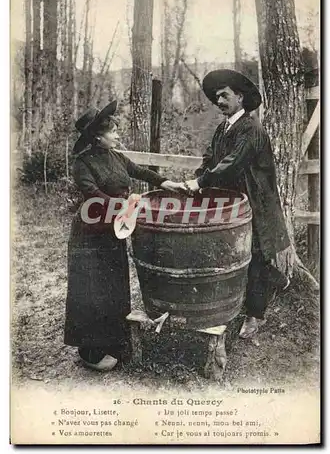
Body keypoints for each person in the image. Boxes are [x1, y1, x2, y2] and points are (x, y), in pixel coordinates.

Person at [64, 100, 184, 371]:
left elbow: (140, 171)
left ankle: (114, 341)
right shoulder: (82, 163)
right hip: (89, 234)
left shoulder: (116, 157)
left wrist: (166, 183)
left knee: (114, 285)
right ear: (97, 136)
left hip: (113, 231)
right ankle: (90, 350)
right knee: (91, 289)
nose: (118, 134)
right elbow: (93, 195)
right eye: (113, 130)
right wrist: (127, 206)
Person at [183, 69, 290, 339]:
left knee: (255, 253)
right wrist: (196, 181)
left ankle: (256, 316)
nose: (219, 101)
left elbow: (232, 165)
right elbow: (211, 159)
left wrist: (203, 182)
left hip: (255, 201)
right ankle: (276, 281)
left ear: (240, 98)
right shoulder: (223, 128)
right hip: (233, 202)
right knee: (238, 253)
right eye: (217, 97)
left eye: (224, 96)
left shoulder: (251, 129)